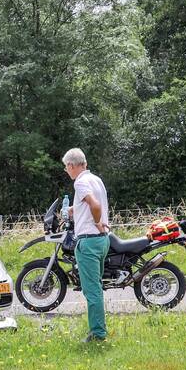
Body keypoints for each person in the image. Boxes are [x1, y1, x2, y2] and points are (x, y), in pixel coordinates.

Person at [62, 147, 111, 343]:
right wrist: (75, 209)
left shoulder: (80, 182)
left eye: (66, 167)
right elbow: (93, 203)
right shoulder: (95, 179)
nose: (66, 171)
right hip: (102, 240)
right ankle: (99, 328)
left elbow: (95, 206)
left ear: (72, 166)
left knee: (92, 290)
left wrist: (97, 222)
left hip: (89, 241)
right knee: (96, 287)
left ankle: (98, 333)